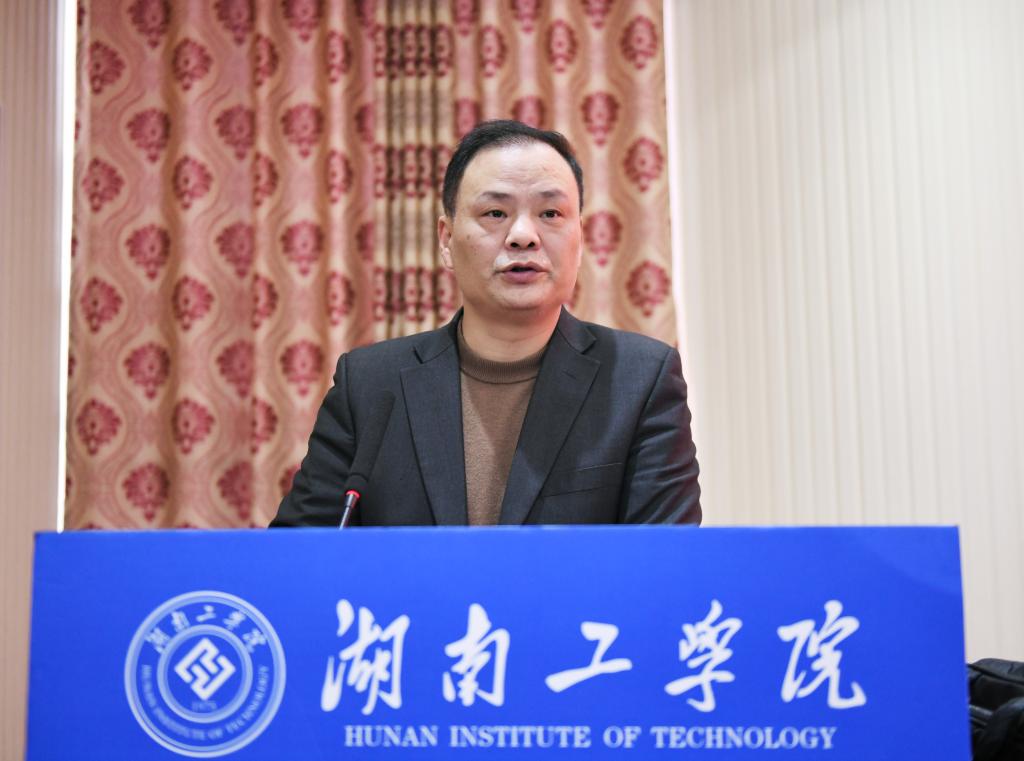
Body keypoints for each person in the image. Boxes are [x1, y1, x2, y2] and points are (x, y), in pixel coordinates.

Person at [270, 120, 700, 527]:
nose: (523, 235)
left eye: (551, 213)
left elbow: (665, 562)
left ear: (581, 239)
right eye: (495, 213)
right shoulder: (370, 387)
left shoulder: (639, 381)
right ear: (446, 240)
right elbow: (296, 558)